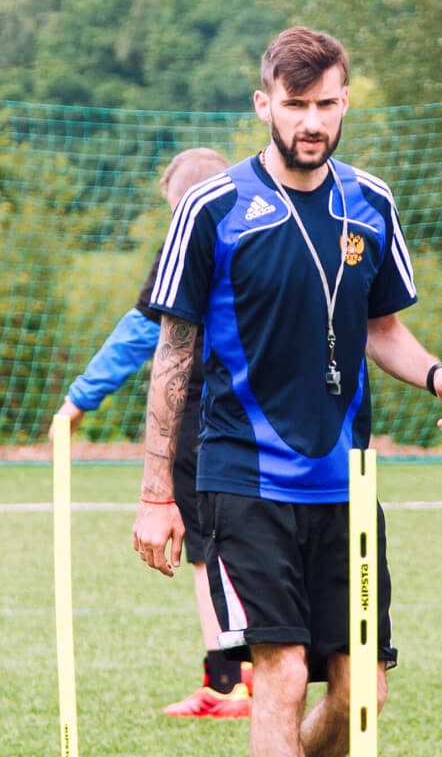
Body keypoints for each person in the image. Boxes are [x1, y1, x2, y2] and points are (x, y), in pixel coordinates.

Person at [133, 26, 442, 757]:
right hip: (244, 479)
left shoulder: (371, 202)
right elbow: (173, 354)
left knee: (361, 696)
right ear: (265, 105)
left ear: (345, 102)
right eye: (295, 105)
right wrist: (158, 495)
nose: (312, 121)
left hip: (346, 485)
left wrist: (439, 375)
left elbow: (382, 328)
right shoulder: (213, 207)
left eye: (326, 104)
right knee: (283, 673)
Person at [51, 147, 253, 718]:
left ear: (180, 201)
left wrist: (78, 400)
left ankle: (232, 684)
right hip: (277, 417)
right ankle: (267, 674)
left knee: (209, 550)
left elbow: (141, 334)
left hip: (203, 415)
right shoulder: (270, 233)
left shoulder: (186, 245)